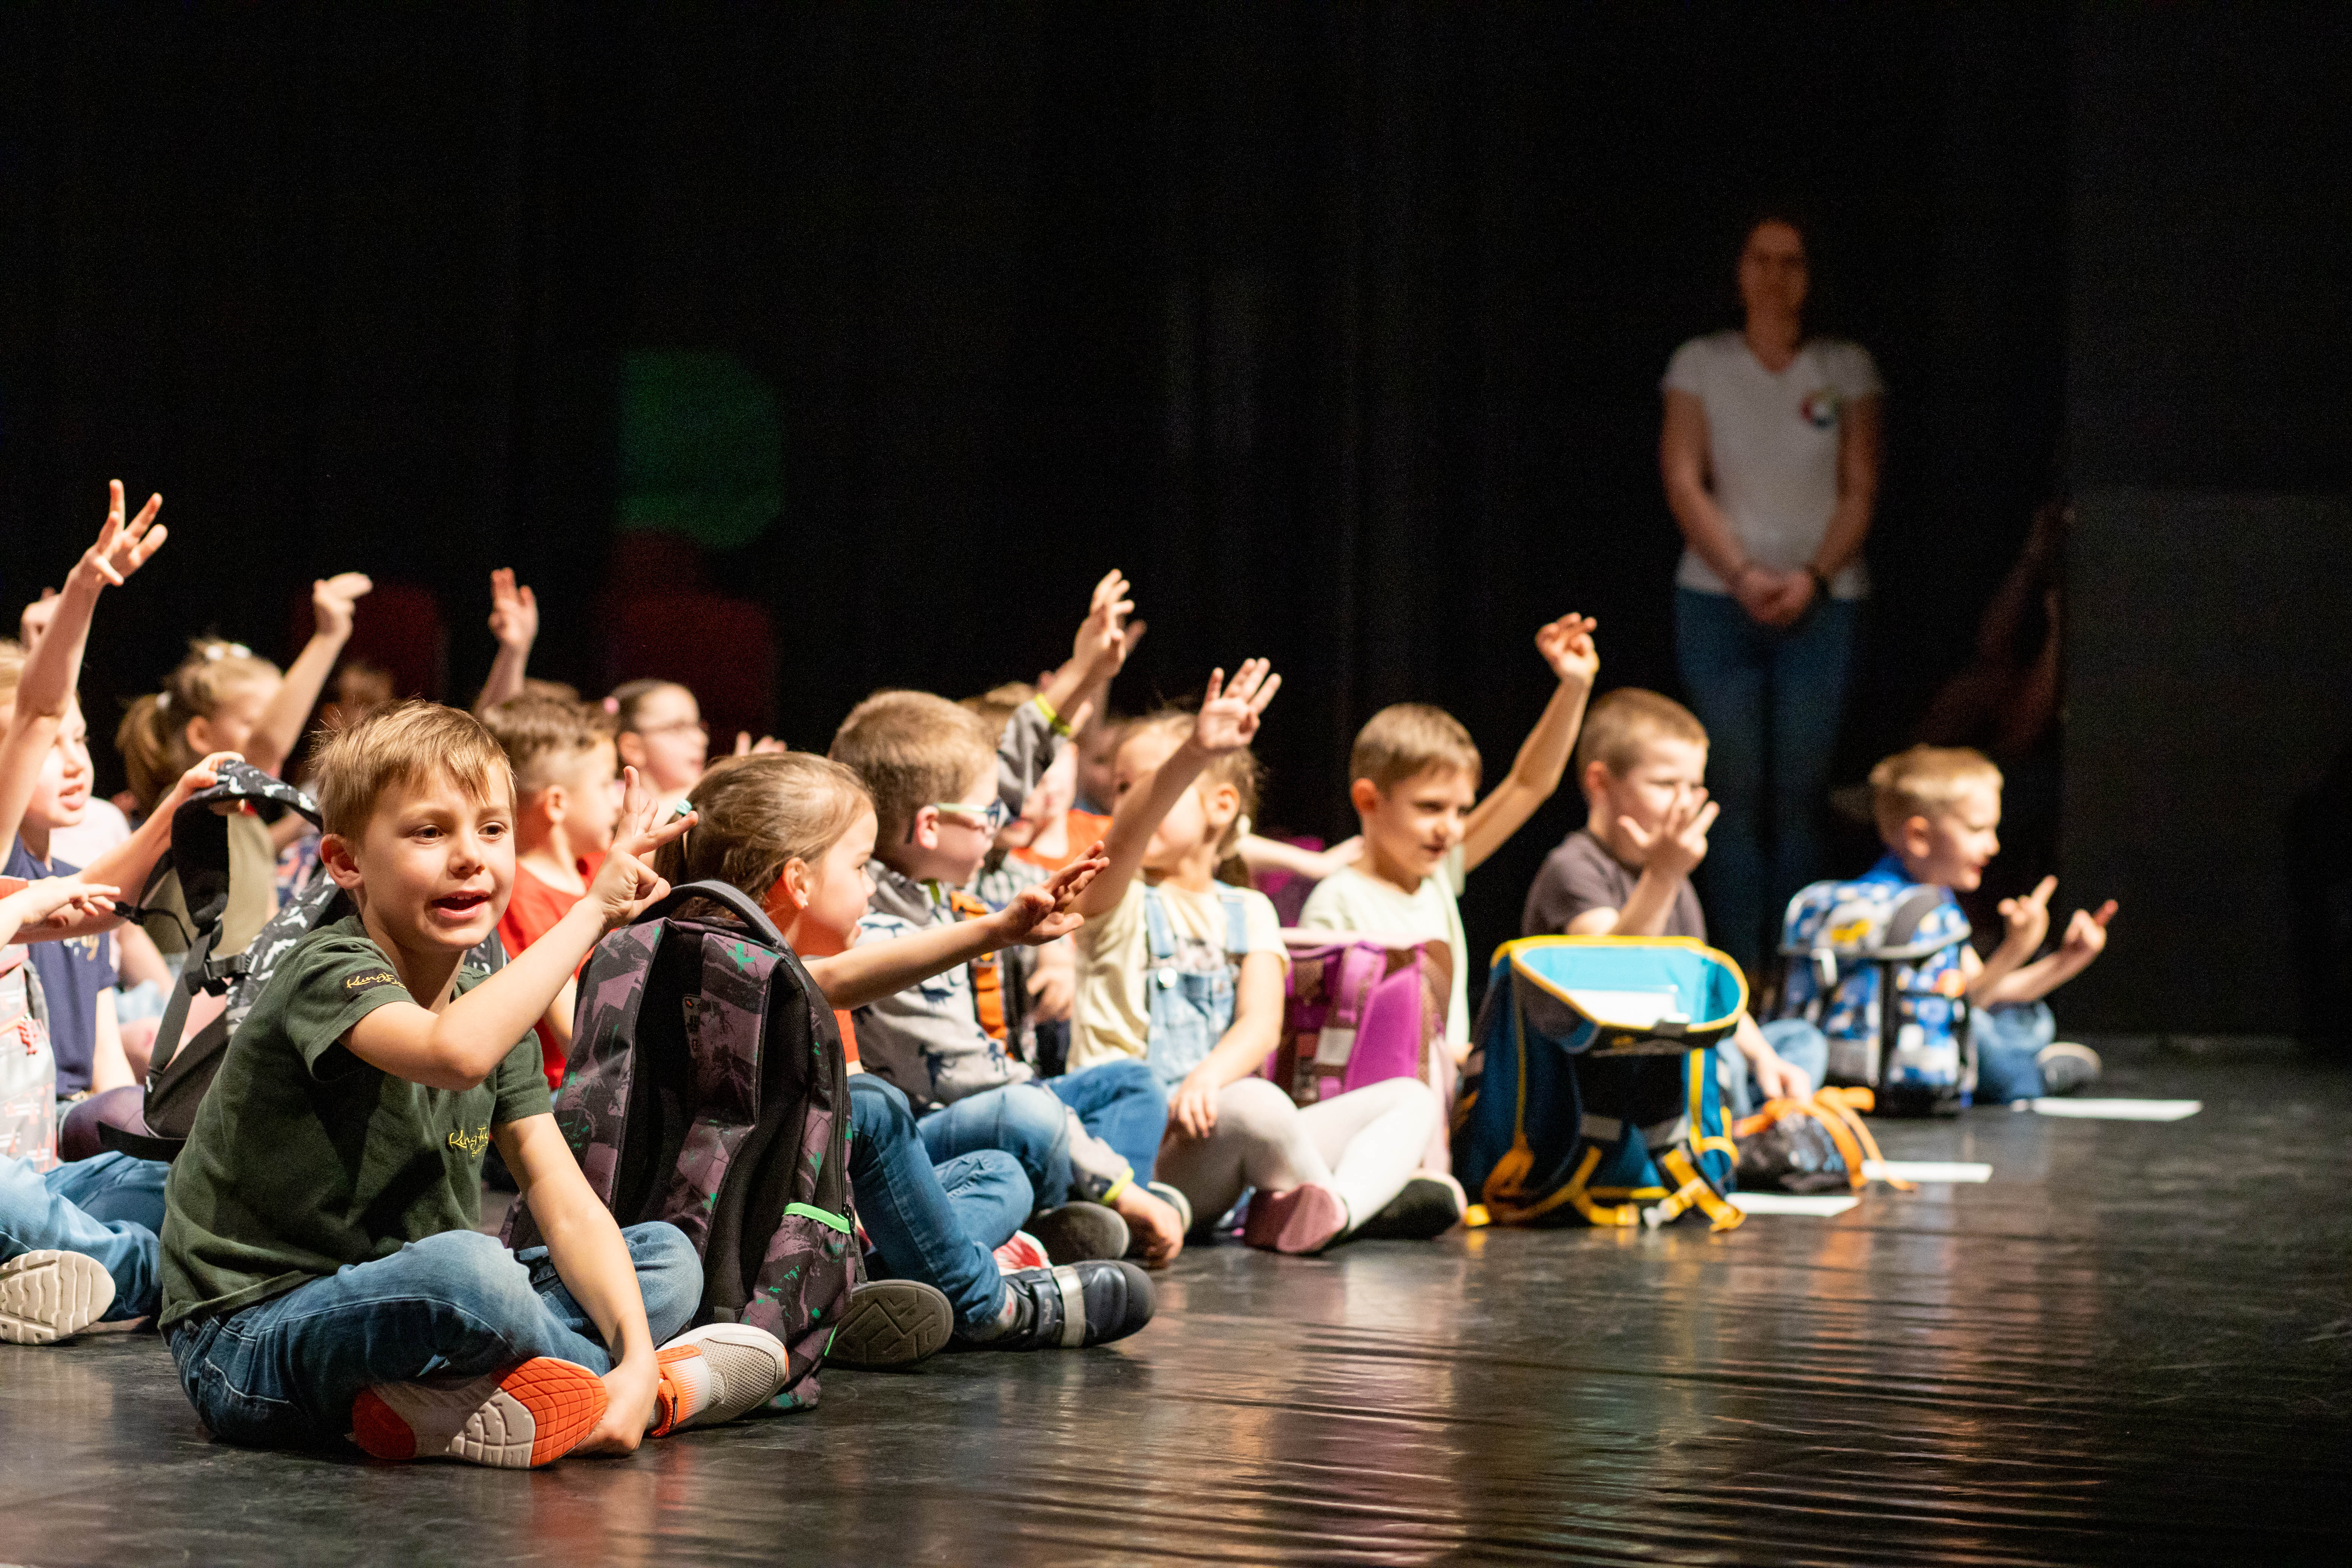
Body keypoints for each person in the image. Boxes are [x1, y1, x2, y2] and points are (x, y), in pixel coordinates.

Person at [159, 702, 794, 1467]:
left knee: (663, 1257)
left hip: (414, 1317)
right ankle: (654, 1392)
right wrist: (591, 911)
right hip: (249, 1338)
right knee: (469, 1272)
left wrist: (630, 1344)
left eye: (493, 830)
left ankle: (474, 1403)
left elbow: (561, 1195)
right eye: (430, 832)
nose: (471, 857)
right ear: (346, 862)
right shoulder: (327, 969)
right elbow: (454, 1053)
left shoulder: (489, 1004)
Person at [654, 753, 1156, 1360]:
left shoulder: (791, 966)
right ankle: (992, 1304)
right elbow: (831, 981)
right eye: (860, 867)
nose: (871, 885)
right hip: (750, 1234)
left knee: (1002, 1173)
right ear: (799, 882)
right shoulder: (723, 964)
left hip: (826, 1210)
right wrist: (997, 930)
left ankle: (876, 1280)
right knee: (873, 1107)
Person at [830, 571, 1187, 1268]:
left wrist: (1086, 672)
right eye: (988, 815)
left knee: (1129, 1084)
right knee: (1023, 1124)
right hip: (929, 1140)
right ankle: (1049, 1223)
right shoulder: (889, 930)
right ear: (929, 827)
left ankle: (1063, 1221)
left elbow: (1010, 767)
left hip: (990, 1110)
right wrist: (1124, 1187)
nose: (1002, 823)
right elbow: (984, 1083)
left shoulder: (929, 870)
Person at [1072, 674, 1459, 1254]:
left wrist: (1208, 1077)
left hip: (1219, 1127)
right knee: (1260, 1105)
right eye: (1123, 789)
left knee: (1410, 1099)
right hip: (1141, 1156)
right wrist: (1193, 754)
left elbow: (1260, 1022)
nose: (1128, 804)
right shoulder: (1117, 902)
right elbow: (1125, 839)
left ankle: (1335, 1208)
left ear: (1222, 806)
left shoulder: (1249, 910)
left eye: (1147, 785)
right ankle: (1351, 1206)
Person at [1660, 213, 1884, 975]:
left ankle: (1795, 970)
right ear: (1739, 270)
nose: (1775, 276)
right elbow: (1683, 478)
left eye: (1792, 261)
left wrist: (1811, 578)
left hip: (1824, 600)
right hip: (1717, 600)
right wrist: (1744, 575)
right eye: (1761, 259)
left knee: (1798, 795)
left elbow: (1861, 487)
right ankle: (1737, 968)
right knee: (1731, 790)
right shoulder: (1702, 363)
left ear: (1812, 276)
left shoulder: (1843, 366)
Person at [1297, 614, 1602, 1057]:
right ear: (1368, 800)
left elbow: (1529, 784)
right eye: (1430, 807)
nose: (1451, 828)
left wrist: (1575, 686)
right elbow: (1326, 1042)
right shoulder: (1337, 902)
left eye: (1461, 810)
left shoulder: (1437, 875)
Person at [1520, 687, 1818, 1117]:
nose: (1685, 803)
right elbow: (1615, 978)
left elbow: (1701, 984)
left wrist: (1765, 1058)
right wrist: (1663, 876)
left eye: (1694, 786)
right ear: (1600, 782)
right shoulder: (1574, 868)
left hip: (1674, 1048)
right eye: (1665, 784)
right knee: (1711, 1057)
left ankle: (1754, 1113)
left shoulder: (1672, 876)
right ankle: (1734, 1120)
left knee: (1799, 1041)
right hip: (1608, 1068)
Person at [1773, 745, 2111, 1102]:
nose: (1993, 846)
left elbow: (1984, 987)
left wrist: (2068, 960)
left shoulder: (1868, 900)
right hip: (1903, 1070)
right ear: (1919, 837)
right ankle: (2035, 1077)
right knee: (2016, 1025)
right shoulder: (1926, 911)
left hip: (1841, 1064)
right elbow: (1972, 1000)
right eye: (1978, 829)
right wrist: (2017, 947)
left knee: (2017, 1014)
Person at [115, 571, 378, 959]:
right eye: (256, 722)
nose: (281, 733)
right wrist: (328, 638)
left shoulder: (248, 820)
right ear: (201, 734)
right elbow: (268, 746)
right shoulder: (193, 800)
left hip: (243, 990)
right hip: (188, 990)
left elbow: (265, 906)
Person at [0, 872, 161, 1346]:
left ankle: (36, 1273)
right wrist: (21, 908)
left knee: (167, 1173)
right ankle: (163, 1275)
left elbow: (112, 904)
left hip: (36, 1179)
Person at [480, 691, 621, 1087]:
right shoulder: (519, 896)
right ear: (557, 803)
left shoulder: (596, 867)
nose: (618, 799)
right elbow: (577, 1036)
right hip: (565, 1091)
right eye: (605, 783)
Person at [606, 679, 711, 813]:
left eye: (698, 727)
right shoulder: (613, 801)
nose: (701, 739)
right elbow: (648, 819)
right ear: (633, 749)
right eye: (678, 728)